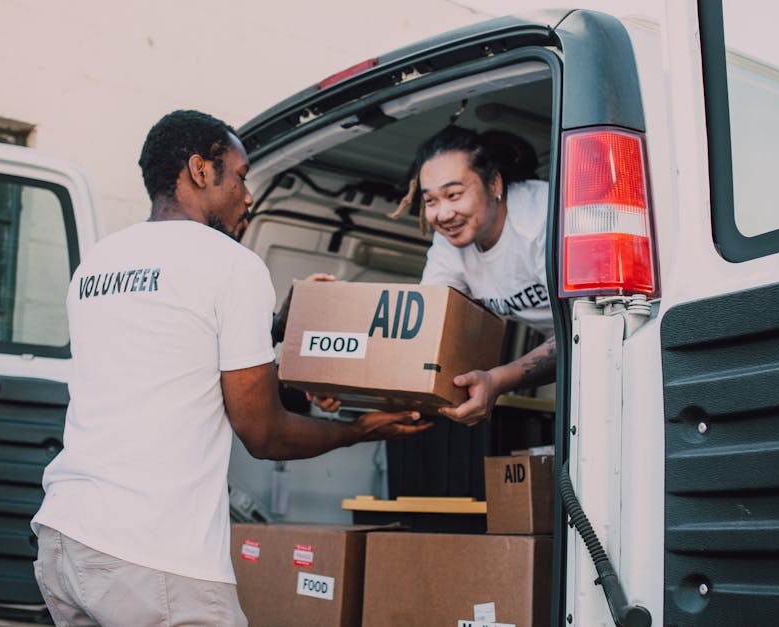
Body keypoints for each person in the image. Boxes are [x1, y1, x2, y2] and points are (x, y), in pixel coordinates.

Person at [31, 110, 431, 627]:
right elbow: (263, 434)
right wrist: (356, 430)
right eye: (240, 176)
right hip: (155, 556)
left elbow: (178, 350)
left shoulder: (98, 263)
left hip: (66, 540)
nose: (248, 195)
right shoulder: (231, 265)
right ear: (200, 170)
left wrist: (278, 324)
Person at [393, 125, 554, 427]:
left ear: (494, 184)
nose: (442, 214)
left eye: (453, 194)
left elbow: (585, 326)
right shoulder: (448, 244)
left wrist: (498, 380)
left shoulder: (542, 220)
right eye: (431, 201)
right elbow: (426, 324)